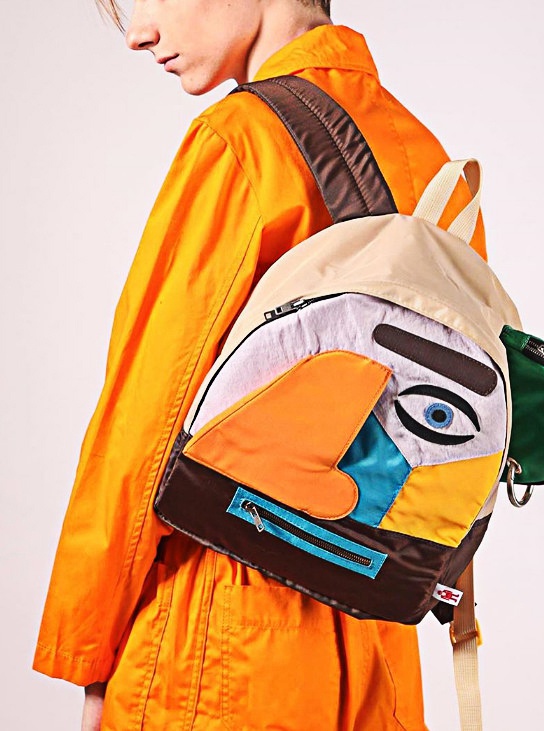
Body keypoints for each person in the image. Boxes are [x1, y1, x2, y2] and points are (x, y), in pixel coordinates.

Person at [34, 1, 486, 729]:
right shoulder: (429, 158)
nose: (138, 33)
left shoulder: (242, 140)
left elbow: (146, 420)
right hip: (374, 639)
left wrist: (90, 656)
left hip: (221, 632)